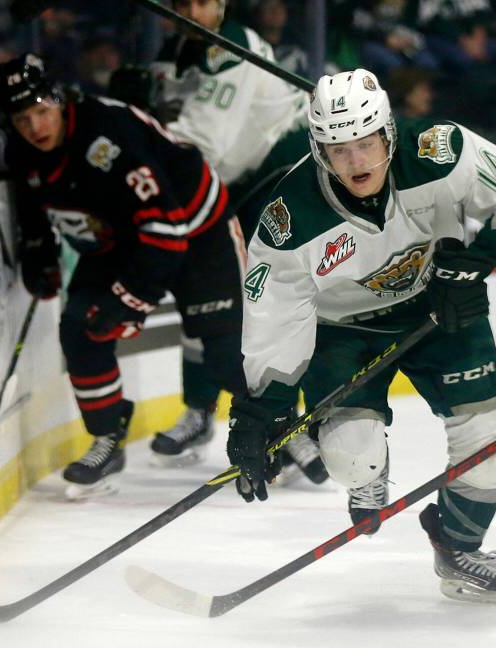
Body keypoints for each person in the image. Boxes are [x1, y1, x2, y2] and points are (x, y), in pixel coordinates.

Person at [228, 68, 496, 604]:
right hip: (342, 332)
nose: (356, 162)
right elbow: (275, 317)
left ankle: (458, 549)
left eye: (365, 143)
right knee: (351, 457)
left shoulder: (441, 150)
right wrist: (260, 409)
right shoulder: (289, 219)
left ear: (388, 131)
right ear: (319, 150)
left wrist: (477, 260)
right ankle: (367, 475)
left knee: (493, 437)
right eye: (339, 150)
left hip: (438, 307)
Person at [0, 53, 247, 499]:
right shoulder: (23, 151)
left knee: (224, 344)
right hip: (122, 238)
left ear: (60, 100)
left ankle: (284, 428)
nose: (35, 126)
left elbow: (166, 231)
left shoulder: (104, 137)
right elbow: (34, 202)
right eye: (23, 118)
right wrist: (40, 252)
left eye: (41, 111)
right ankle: (107, 440)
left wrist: (130, 300)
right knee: (80, 328)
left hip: (196, 226)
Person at [145, 0, 325, 482]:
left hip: (275, 180)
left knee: (266, 304)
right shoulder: (179, 51)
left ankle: (293, 420)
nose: (190, 11)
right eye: (180, 3)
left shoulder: (231, 48)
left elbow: (207, 143)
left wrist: (141, 135)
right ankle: (201, 409)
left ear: (220, 5)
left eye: (200, 2)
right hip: (228, 189)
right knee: (204, 295)